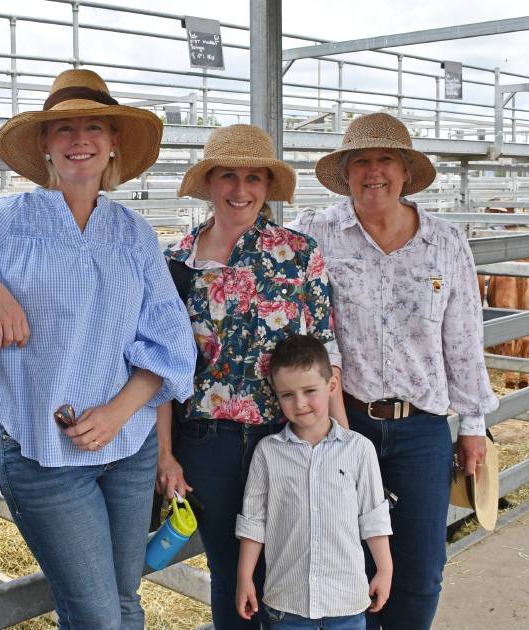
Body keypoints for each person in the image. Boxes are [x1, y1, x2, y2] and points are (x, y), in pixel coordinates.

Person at [0, 68, 195, 629]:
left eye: (95, 127)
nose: (80, 139)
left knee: (126, 600)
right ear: (45, 146)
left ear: (111, 146)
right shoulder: (10, 221)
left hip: (126, 446)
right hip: (45, 450)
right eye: (65, 129)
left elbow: (170, 337)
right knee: (96, 615)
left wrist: (119, 411)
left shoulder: (132, 232)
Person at [288, 112, 499, 630]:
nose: (373, 172)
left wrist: (472, 426)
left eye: (385, 160)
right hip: (344, 423)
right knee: (347, 558)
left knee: (423, 567)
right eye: (360, 161)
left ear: (405, 172)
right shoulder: (316, 232)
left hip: (421, 427)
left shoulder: (444, 242)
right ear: (345, 173)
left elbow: (464, 338)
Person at [158, 124, 342, 630]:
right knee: (227, 567)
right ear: (209, 183)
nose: (241, 191)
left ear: (266, 186)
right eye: (228, 177)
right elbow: (159, 365)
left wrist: (342, 442)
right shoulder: (175, 262)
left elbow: (326, 353)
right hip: (207, 440)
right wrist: (165, 453)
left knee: (286, 564)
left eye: (253, 178)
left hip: (285, 436)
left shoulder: (300, 255)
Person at [235, 334, 392, 630]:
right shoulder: (268, 452)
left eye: (310, 390)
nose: (300, 403)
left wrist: (385, 570)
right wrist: (244, 578)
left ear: (332, 385)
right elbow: (254, 521)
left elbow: (374, 517)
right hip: (287, 603)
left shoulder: (359, 449)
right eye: (287, 395)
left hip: (346, 601)